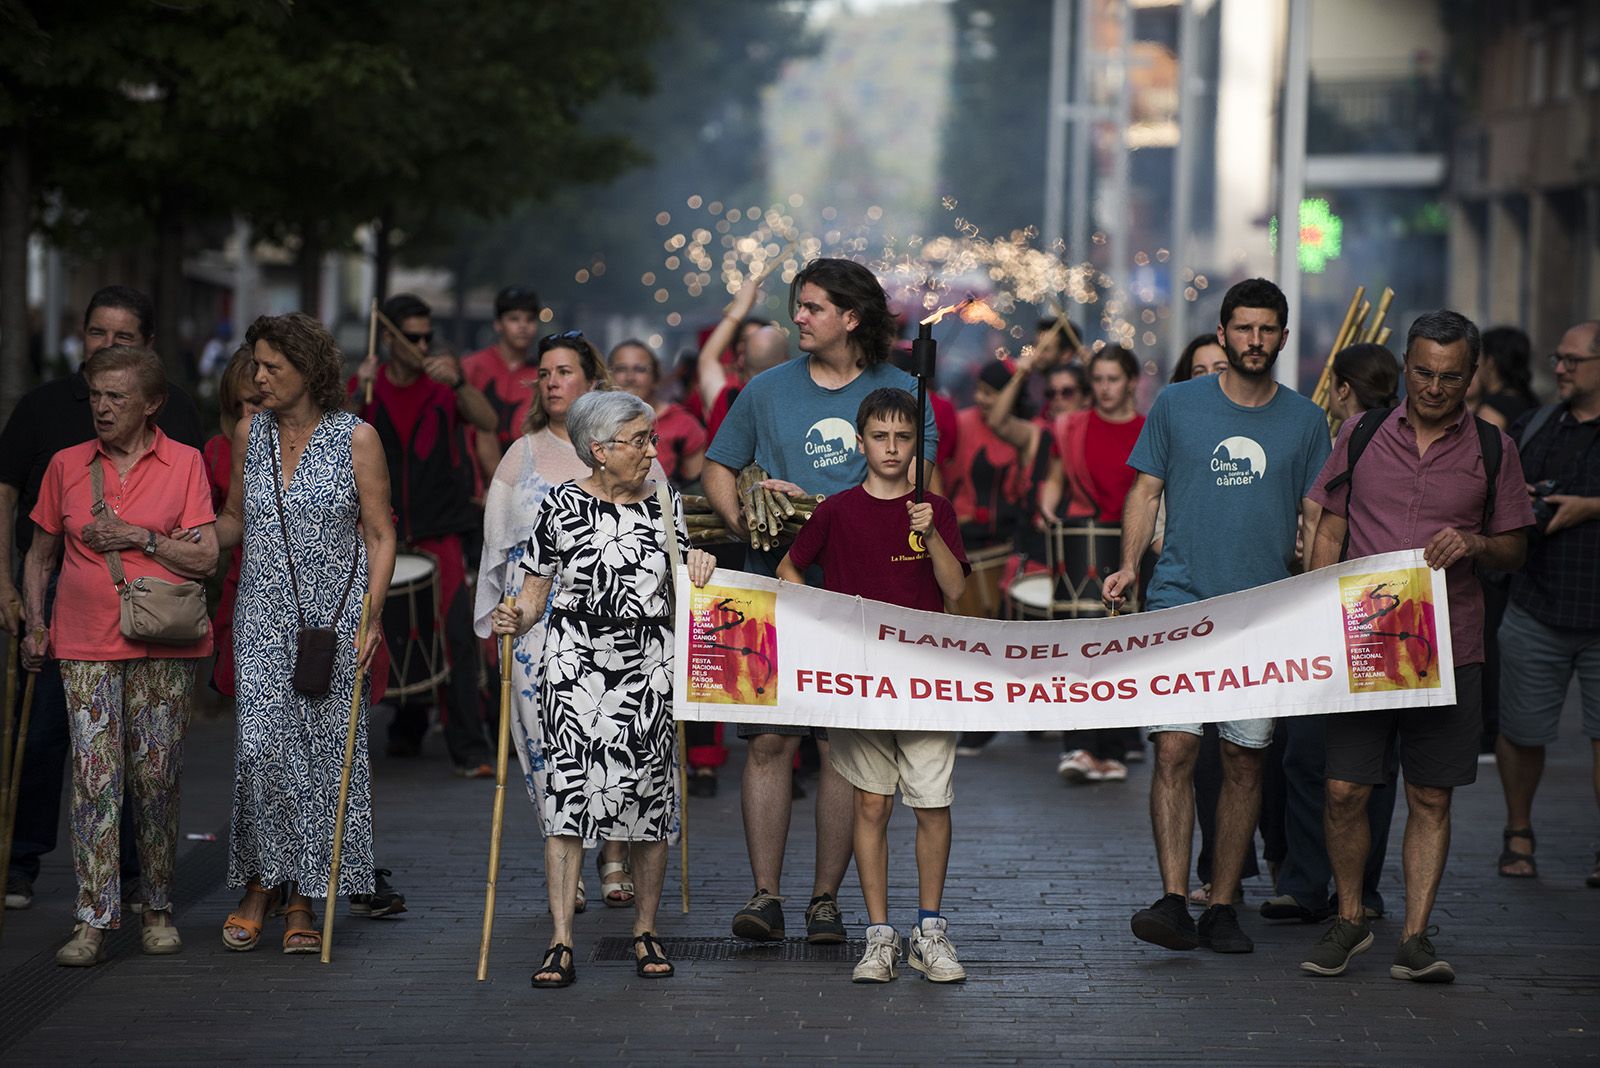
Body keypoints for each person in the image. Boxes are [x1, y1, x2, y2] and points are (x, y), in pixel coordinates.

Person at [703, 257, 937, 945]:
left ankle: (826, 900)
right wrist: (750, 520)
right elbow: (718, 466)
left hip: (866, 594)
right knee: (769, 741)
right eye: (797, 306)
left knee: (846, 745)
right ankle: (765, 896)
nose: (797, 318)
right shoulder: (766, 390)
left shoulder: (904, 391)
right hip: (769, 588)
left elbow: (926, 488)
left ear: (851, 317)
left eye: (810, 307)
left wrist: (825, 508)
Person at [1299, 310, 1533, 982]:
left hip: (1451, 646)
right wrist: (1313, 610)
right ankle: (1349, 919)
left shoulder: (1495, 449)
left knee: (1431, 794)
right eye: (1423, 372)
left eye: (1450, 377)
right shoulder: (1364, 431)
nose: (1434, 387)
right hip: (1367, 641)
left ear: (1472, 374)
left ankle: (1416, 936)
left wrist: (1478, 543)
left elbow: (1516, 547)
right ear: (1405, 365)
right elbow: (1331, 525)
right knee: (1344, 789)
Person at [1103, 277, 1331, 956]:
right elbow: (1146, 489)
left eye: (1267, 330)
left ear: (1283, 339)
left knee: (1244, 758)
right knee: (1174, 747)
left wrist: (1315, 592)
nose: (1255, 341)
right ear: (1224, 334)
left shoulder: (1305, 420)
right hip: (1178, 600)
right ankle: (1174, 899)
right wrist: (1129, 565)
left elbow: (1319, 515)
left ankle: (1224, 904)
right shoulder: (1178, 404)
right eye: (1243, 328)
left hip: (1262, 614)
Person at [491, 390, 718, 987]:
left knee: (649, 803)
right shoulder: (562, 506)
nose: (652, 450)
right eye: (640, 440)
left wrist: (700, 566)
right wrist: (514, 616)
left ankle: (644, 930)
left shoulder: (664, 500)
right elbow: (534, 597)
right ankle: (561, 940)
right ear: (600, 449)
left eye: (650, 438)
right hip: (575, 668)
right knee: (567, 807)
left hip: (647, 664)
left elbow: (684, 571)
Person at [1, 285, 203, 913]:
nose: (104, 406)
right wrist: (19, 600)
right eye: (97, 334)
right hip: (72, 607)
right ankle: (43, 875)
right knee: (60, 750)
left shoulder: (183, 435)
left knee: (151, 768)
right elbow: (23, 522)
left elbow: (203, 541)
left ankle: (145, 880)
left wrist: (147, 543)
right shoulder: (46, 417)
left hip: (155, 612)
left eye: (122, 339)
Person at [217, 312, 397, 955]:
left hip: (334, 621)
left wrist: (371, 617)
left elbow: (380, 533)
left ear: (310, 371)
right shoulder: (248, 432)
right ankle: (261, 883)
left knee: (322, 764)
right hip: (262, 616)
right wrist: (187, 540)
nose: (259, 377)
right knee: (263, 753)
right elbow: (235, 518)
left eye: (274, 367)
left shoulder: (357, 438)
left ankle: (301, 896)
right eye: (256, 365)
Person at [780, 388, 970, 983]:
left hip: (926, 680)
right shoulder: (836, 509)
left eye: (903, 437)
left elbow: (957, 591)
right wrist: (821, 615)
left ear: (917, 445)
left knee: (932, 802)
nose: (891, 448)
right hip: (857, 679)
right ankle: (880, 935)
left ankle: (930, 930)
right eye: (880, 437)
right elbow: (790, 566)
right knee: (871, 801)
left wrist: (930, 532)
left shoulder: (935, 509)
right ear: (860, 443)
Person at [475, 331, 661, 908]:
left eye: (565, 371)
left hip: (616, 626)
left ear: (591, 381)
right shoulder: (522, 452)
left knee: (620, 741)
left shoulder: (631, 450)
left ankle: (613, 854)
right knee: (550, 748)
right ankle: (566, 859)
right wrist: (506, 611)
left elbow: (661, 535)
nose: (552, 381)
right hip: (538, 625)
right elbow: (497, 542)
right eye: (545, 373)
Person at [1261, 343, 1402, 925]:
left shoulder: (1354, 433)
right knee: (1373, 760)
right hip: (1389, 608)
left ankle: (1307, 883)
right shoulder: (1400, 434)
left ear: (1342, 388)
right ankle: (1358, 889)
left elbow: (1320, 521)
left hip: (1340, 608)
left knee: (1309, 756)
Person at [354, 293, 498, 775]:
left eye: (425, 336)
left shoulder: (444, 387)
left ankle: (470, 748)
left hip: (440, 528)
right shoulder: (366, 389)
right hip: (379, 528)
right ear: (390, 339)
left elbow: (488, 420)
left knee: (454, 633)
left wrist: (458, 381)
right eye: (410, 337)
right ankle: (404, 729)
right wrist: (357, 390)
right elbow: (332, 430)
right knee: (392, 628)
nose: (421, 345)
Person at [1493, 319, 1600, 886]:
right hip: (1536, 602)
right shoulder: (1533, 427)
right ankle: (1518, 830)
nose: (1558, 368)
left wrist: (1591, 507)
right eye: (1557, 357)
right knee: (1521, 728)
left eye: (1572, 360)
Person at [1042, 345, 1145, 784]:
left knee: (1121, 651)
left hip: (1132, 548)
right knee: (1078, 647)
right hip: (1084, 543)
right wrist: (1051, 516)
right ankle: (1080, 746)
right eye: (1098, 380)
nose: (1104, 388)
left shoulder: (1148, 429)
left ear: (1132, 382)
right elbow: (1055, 478)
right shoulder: (1072, 427)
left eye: (1113, 379)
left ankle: (1113, 749)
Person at [461, 285, 544, 480]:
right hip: (472, 479)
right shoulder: (472, 366)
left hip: (526, 478)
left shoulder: (542, 373)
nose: (523, 326)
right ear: (498, 324)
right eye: (514, 319)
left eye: (530, 319)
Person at [695, 274, 791, 440]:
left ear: (741, 358)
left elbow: (707, 358)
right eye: (745, 340)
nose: (753, 343)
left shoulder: (727, 400)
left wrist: (741, 306)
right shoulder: (798, 401)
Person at [609, 339, 707, 486]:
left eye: (640, 369)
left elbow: (698, 488)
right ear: (608, 376)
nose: (630, 378)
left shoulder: (683, 424)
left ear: (655, 377)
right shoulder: (593, 423)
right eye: (621, 369)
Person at [1468, 325, 1538, 432]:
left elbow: (1479, 447)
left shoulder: (1493, 410)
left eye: (1480, 357)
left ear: (1490, 362)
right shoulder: (1532, 402)